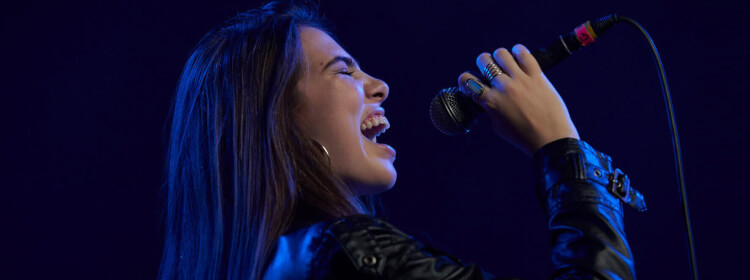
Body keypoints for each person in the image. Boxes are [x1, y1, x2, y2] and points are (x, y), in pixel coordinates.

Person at [159, 1, 642, 279]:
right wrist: (562, 150)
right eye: (342, 70)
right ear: (279, 119)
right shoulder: (351, 254)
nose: (379, 85)